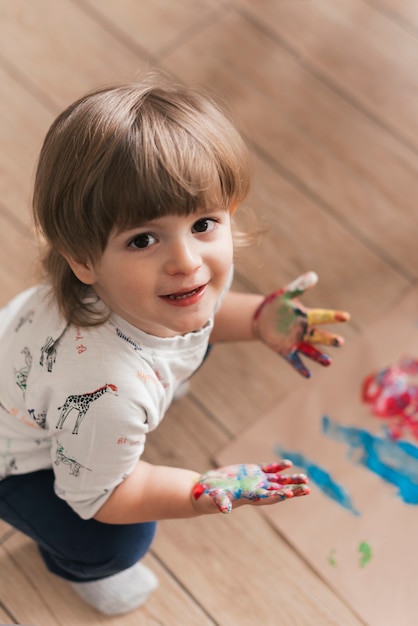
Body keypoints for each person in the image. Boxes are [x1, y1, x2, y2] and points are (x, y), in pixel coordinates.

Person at [0, 75, 350, 616]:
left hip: (43, 382)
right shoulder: (107, 394)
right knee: (115, 541)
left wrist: (259, 319)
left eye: (204, 223)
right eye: (143, 239)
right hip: (19, 463)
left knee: (193, 325)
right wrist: (202, 488)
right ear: (83, 260)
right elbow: (103, 497)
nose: (187, 260)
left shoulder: (173, 285)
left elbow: (206, 320)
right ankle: (75, 565)